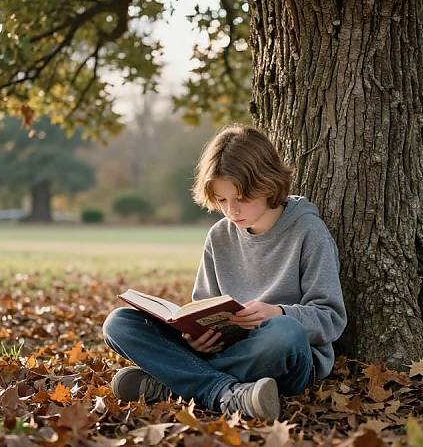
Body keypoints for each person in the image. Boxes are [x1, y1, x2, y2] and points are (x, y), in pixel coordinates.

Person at [102, 124, 347, 421]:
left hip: (282, 355)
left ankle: (176, 385)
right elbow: (203, 307)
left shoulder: (308, 232)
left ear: (268, 185)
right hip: (225, 351)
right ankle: (228, 394)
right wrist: (195, 339)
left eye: (241, 198)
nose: (231, 211)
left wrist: (277, 312)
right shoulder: (220, 236)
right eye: (221, 200)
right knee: (119, 323)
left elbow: (331, 318)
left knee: (285, 333)